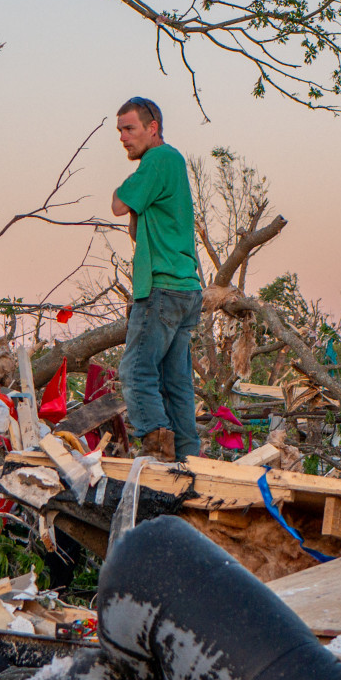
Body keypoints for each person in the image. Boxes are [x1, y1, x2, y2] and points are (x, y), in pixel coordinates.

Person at [110, 96, 202, 461]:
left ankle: (159, 453)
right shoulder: (174, 161)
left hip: (162, 287)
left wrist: (126, 187)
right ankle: (188, 460)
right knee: (175, 383)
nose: (123, 138)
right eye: (119, 131)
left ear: (153, 128)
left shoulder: (158, 159)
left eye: (130, 129)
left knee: (134, 371)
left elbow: (119, 204)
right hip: (186, 289)